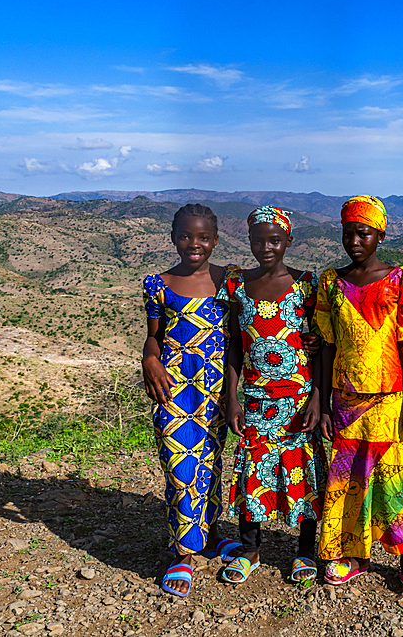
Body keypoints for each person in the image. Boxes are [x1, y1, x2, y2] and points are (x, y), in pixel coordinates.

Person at [315, 195, 403, 597]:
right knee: (348, 477)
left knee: (391, 476)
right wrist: (324, 398)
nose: (354, 241)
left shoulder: (400, 279)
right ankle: (354, 555)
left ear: (380, 235)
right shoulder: (331, 283)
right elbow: (327, 344)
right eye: (348, 233)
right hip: (345, 397)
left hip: (389, 397)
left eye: (363, 233)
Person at [219, 205, 326, 585]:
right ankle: (249, 549)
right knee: (252, 471)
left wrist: (317, 396)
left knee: (304, 474)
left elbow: (322, 342)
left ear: (289, 242)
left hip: (298, 399)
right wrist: (231, 397)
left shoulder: (307, 284)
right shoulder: (236, 284)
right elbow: (234, 345)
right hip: (255, 400)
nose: (267, 247)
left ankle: (304, 551)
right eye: (259, 240)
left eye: (275, 240)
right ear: (248, 241)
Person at [142, 203, 243, 598]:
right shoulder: (157, 283)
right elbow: (154, 333)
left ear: (216, 240)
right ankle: (182, 552)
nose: (194, 244)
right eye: (185, 236)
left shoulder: (230, 281)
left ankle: (213, 534)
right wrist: (149, 357)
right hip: (172, 390)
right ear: (173, 237)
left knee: (210, 463)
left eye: (203, 237)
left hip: (216, 390)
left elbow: (242, 335)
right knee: (180, 469)